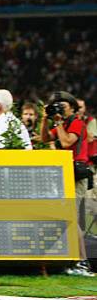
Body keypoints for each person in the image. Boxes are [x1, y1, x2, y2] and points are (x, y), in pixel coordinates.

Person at [40, 91, 93, 276]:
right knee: (67, 217)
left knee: (71, 218)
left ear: (71, 106)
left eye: (63, 105)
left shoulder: (77, 122)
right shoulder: (64, 123)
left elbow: (65, 141)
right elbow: (45, 138)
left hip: (77, 176)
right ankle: (73, 260)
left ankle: (82, 262)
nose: (60, 108)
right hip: (64, 175)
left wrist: (57, 122)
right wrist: (45, 119)